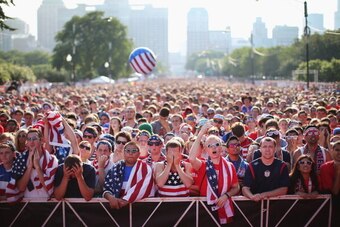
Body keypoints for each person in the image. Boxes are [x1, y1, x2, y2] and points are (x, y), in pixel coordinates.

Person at [189, 122, 239, 224]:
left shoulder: (230, 166)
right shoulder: (203, 165)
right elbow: (191, 158)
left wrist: (226, 195)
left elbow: (236, 187)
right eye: (209, 146)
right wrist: (201, 133)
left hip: (224, 207)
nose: (214, 147)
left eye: (216, 144)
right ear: (206, 150)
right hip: (205, 209)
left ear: (221, 147)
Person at [6, 128, 58, 202]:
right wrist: (30, 167)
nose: (31, 141)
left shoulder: (52, 159)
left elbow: (48, 187)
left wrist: (37, 166)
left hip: (47, 202)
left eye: (34, 138)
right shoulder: (21, 159)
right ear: (26, 142)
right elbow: (20, 188)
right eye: (29, 139)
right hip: (27, 203)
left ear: (42, 141)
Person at [103, 142, 154, 209]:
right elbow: (106, 187)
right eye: (128, 150)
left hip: (139, 209)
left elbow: (145, 187)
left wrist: (125, 200)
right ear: (124, 153)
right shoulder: (115, 168)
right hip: (116, 207)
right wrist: (110, 198)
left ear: (139, 154)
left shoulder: (145, 168)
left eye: (134, 151)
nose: (130, 153)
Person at [242, 137, 289, 202]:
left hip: (277, 205)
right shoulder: (252, 166)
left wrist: (264, 195)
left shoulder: (282, 166)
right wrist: (252, 197)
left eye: (270, 147)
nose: (267, 149)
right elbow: (245, 188)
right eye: (264, 147)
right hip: (255, 205)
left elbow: (284, 189)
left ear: (275, 149)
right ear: (260, 149)